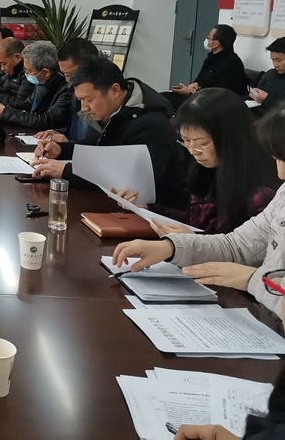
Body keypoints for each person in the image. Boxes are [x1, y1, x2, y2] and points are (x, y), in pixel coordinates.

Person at [112, 107, 285, 324]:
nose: (280, 173)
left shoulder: (262, 190)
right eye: (277, 159)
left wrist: (252, 280)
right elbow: (237, 246)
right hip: (265, 319)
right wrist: (171, 247)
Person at [32, 56, 190, 210]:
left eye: (88, 100)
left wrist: (66, 172)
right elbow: (94, 147)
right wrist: (61, 149)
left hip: (159, 213)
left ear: (114, 90)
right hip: (115, 206)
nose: (84, 108)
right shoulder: (110, 111)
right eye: (80, 100)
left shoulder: (152, 124)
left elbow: (131, 182)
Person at [140, 89, 278, 235]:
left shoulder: (262, 193)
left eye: (202, 144)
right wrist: (149, 209)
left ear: (230, 139)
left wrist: (195, 241)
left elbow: (246, 244)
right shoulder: (207, 168)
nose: (193, 151)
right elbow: (199, 219)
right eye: (186, 141)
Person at [33, 37, 101, 144]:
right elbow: (75, 131)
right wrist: (56, 132)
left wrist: (69, 144)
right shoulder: (75, 94)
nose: (67, 80)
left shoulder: (103, 99)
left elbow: (97, 145)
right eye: (64, 74)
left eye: (70, 74)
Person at [0, 41, 72, 131]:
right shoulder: (42, 80)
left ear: (46, 72)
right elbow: (28, 104)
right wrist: (4, 107)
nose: (26, 74)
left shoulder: (67, 87)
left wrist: (6, 113)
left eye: (29, 71)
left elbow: (48, 120)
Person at [166, 24, 248, 110]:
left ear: (216, 43)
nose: (206, 39)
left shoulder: (232, 63)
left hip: (210, 103)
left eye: (208, 37)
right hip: (199, 96)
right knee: (164, 97)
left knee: (166, 101)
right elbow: (200, 80)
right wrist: (194, 85)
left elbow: (220, 93)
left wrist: (192, 92)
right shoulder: (211, 58)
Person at [251, 38, 285, 115]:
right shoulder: (270, 74)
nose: (275, 65)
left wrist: (266, 99)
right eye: (272, 60)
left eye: (279, 60)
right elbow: (258, 92)